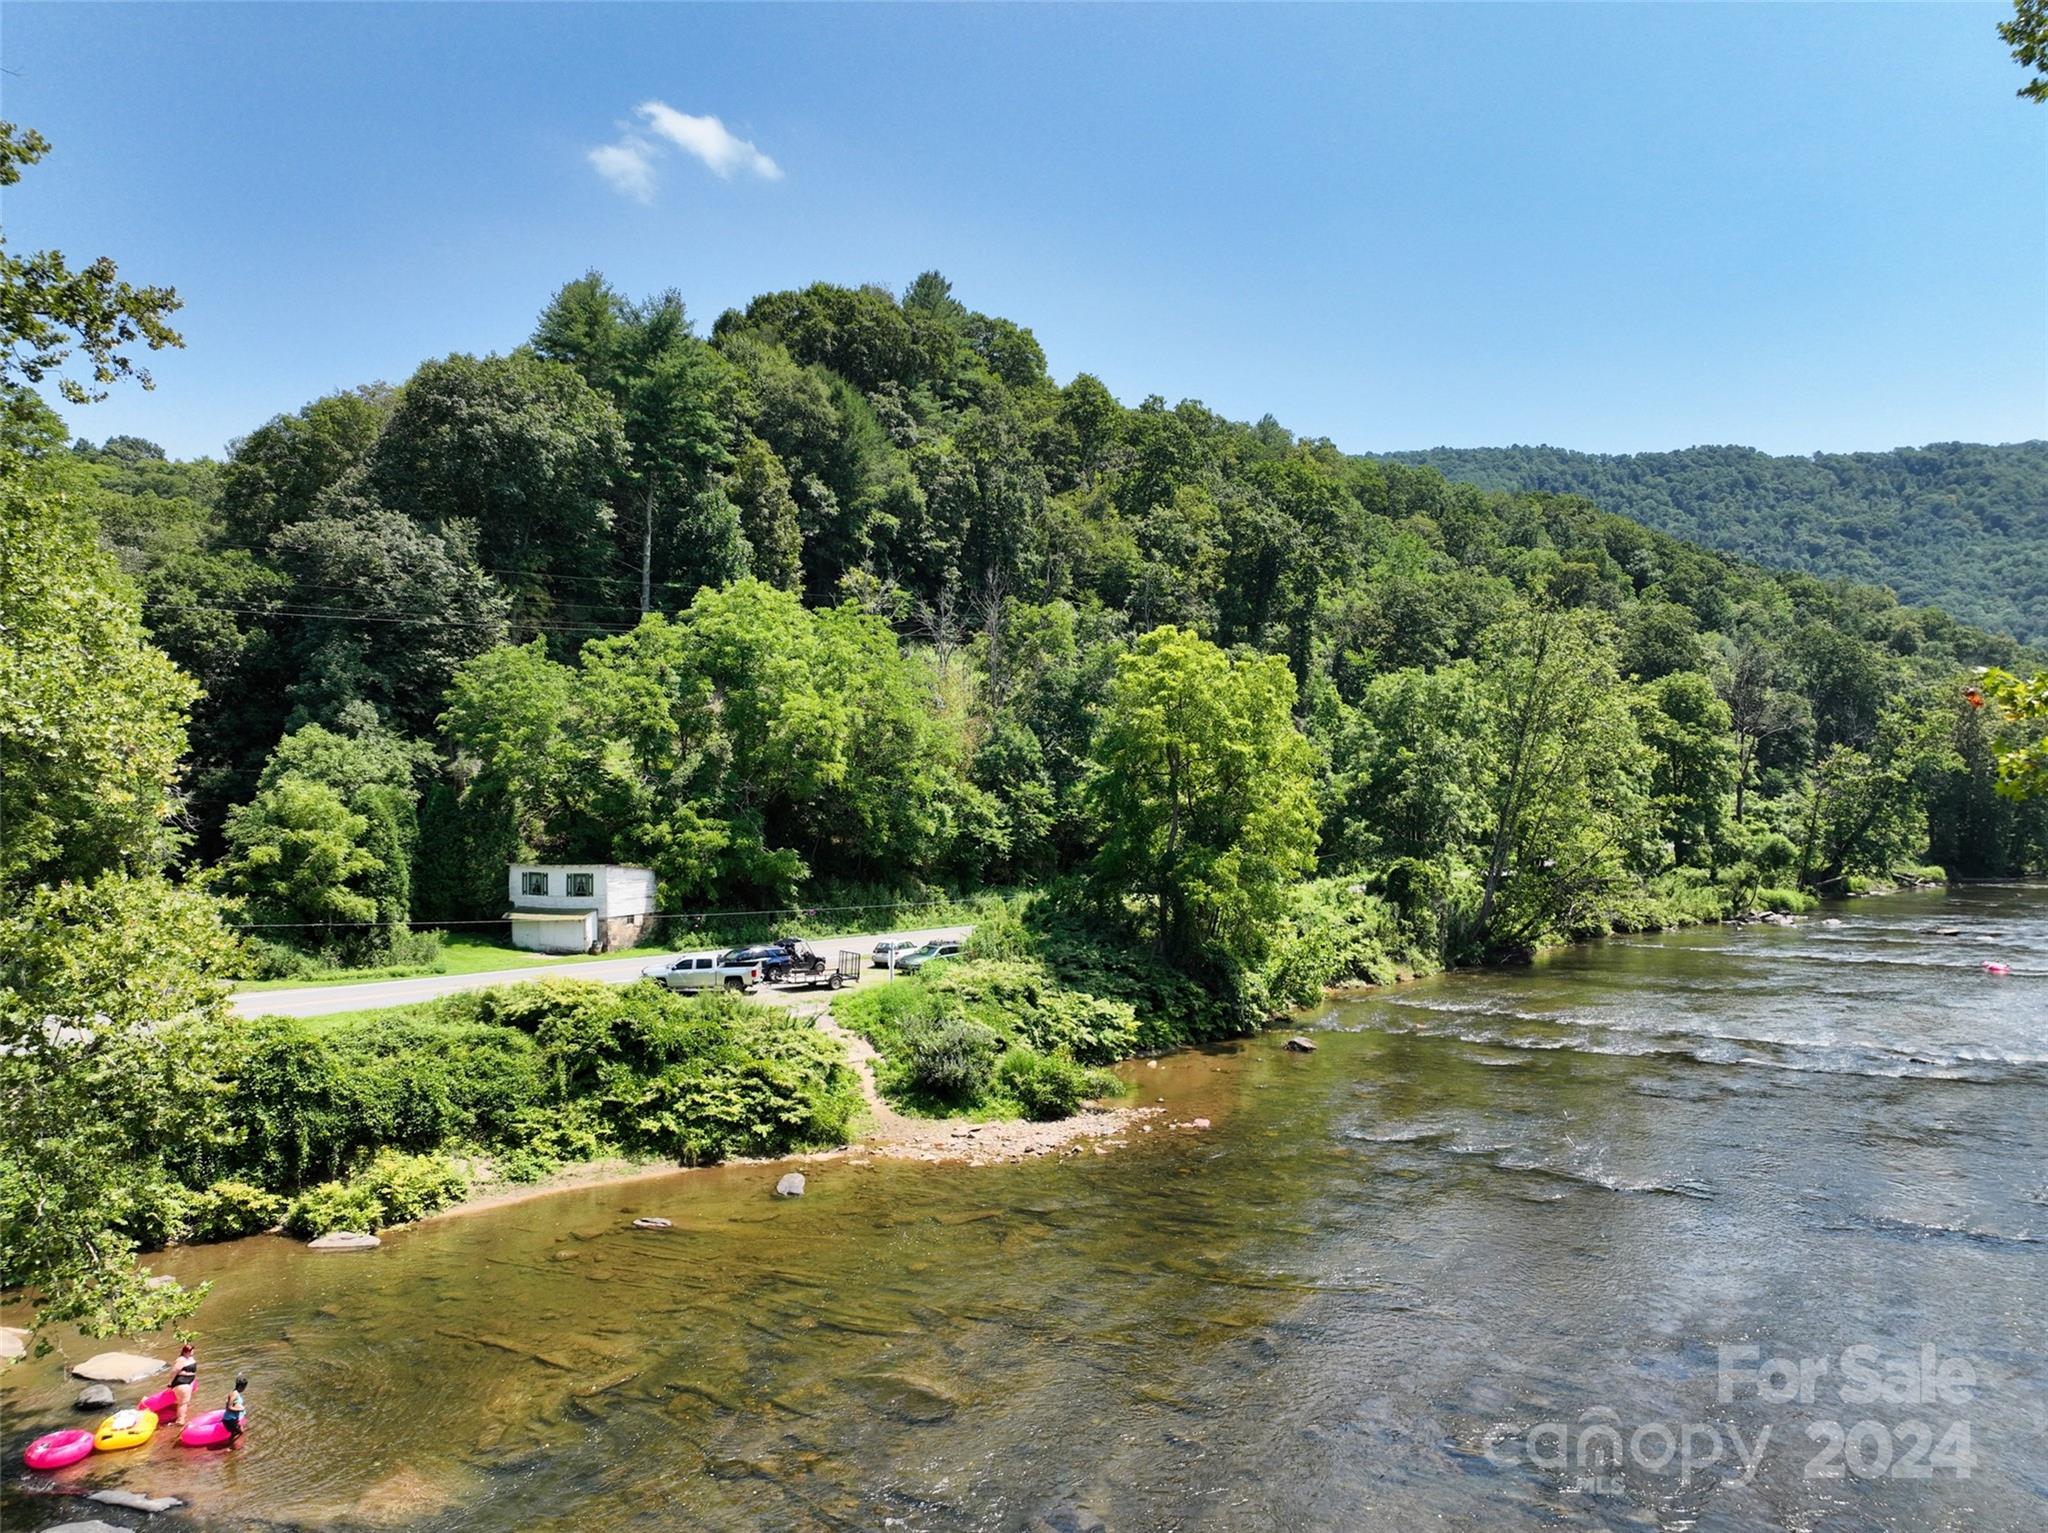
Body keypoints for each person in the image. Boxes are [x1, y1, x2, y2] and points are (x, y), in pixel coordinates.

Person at [169, 1343, 197, 1422]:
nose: (192, 1352)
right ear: (185, 1352)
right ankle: (180, 1420)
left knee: (184, 1401)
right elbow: (173, 1372)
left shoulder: (190, 1358)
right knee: (183, 1402)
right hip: (182, 1383)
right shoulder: (181, 1360)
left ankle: (181, 1416)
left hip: (187, 1382)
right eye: (190, 1350)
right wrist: (170, 1384)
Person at [222, 1374, 248, 1446]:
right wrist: (240, 1409)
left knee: (239, 1431)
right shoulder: (234, 1394)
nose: (245, 1389)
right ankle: (229, 1447)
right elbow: (228, 1407)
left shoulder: (235, 1392)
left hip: (232, 1419)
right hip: (229, 1420)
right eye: (244, 1387)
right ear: (240, 1386)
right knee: (238, 1433)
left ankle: (230, 1445)